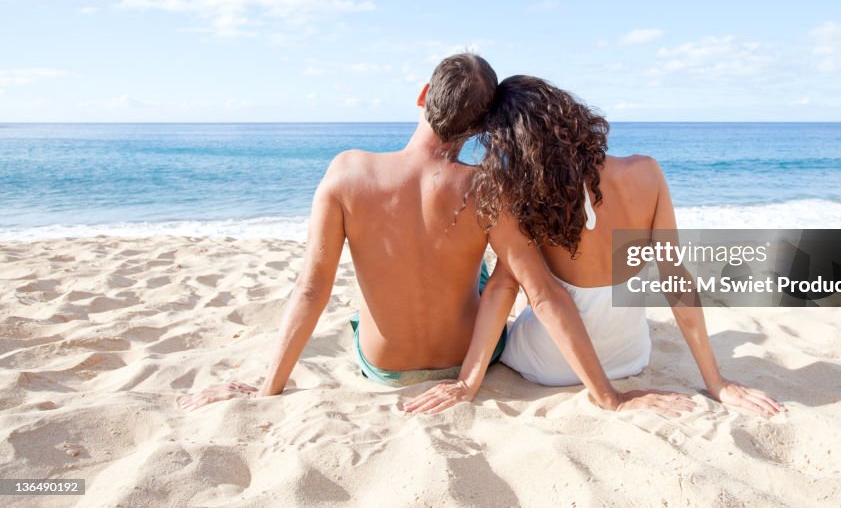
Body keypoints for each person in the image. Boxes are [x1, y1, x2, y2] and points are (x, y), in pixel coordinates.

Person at [179, 55, 693, 416]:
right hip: (467, 360)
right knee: (496, 272)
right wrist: (609, 396)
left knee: (363, 306)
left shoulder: (346, 173)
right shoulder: (486, 188)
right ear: (481, 127)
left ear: (423, 95)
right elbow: (544, 291)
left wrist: (267, 388)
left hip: (384, 370)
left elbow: (310, 292)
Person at [403, 75, 785, 416]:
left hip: (547, 365)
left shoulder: (526, 194)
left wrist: (468, 383)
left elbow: (506, 288)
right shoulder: (647, 172)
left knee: (500, 280)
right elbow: (676, 281)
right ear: (569, 115)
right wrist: (717, 382)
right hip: (629, 357)